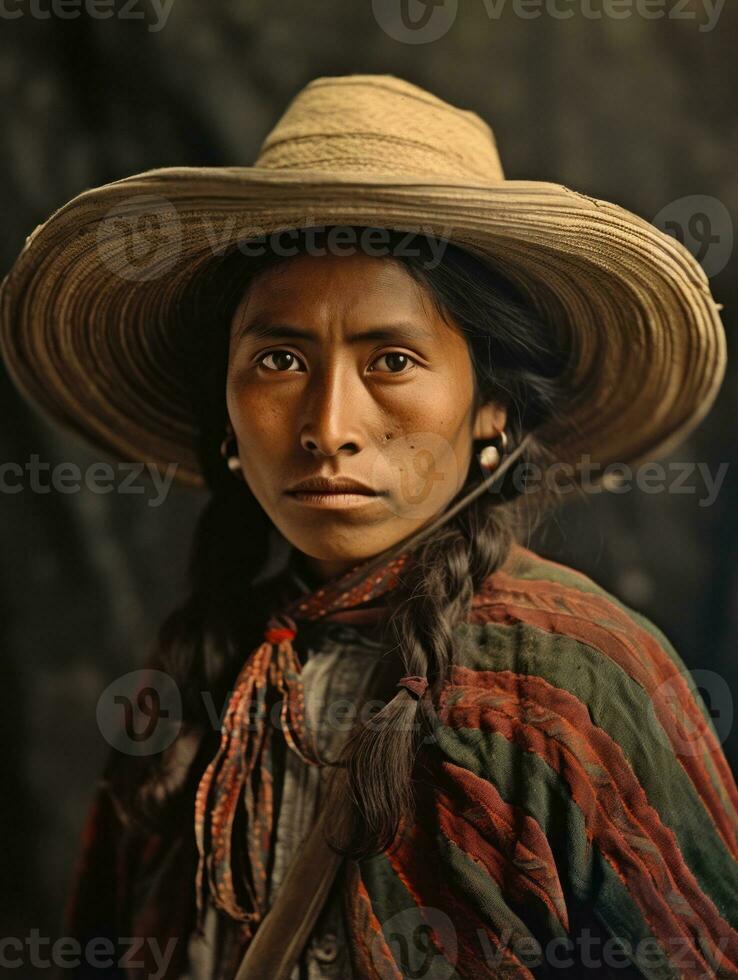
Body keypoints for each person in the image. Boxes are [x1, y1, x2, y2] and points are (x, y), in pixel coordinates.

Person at [1, 74, 736, 979]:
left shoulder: (581, 688)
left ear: (491, 407)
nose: (328, 426)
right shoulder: (202, 670)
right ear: (225, 410)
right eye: (279, 359)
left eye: (392, 359)